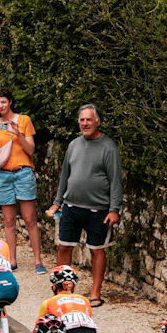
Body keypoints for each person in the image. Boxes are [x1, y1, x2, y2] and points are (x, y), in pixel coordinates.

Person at [49, 103, 124, 307]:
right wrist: (57, 203)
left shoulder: (108, 147)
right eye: (82, 119)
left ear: (98, 121)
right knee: (64, 247)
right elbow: (65, 176)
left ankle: (95, 292)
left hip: (98, 210)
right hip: (71, 207)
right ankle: (62, 290)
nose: (85, 123)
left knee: (97, 250)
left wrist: (114, 209)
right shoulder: (74, 145)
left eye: (89, 119)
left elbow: (115, 180)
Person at [0, 88, 44, 271]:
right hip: (4, 174)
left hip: (23, 172)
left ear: (10, 101)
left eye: (3, 101)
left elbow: (31, 150)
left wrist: (17, 133)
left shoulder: (24, 120)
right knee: (8, 220)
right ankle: (12, 260)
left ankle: (38, 260)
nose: (1, 106)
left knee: (30, 218)